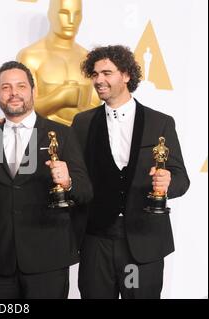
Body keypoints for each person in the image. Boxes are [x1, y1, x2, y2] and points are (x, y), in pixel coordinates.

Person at [72, 45, 190, 299]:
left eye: (106, 73)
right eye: (94, 74)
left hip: (143, 243)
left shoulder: (161, 122)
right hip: (96, 242)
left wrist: (168, 182)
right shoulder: (82, 123)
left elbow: (181, 179)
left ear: (126, 75)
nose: (99, 80)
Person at [0, 61, 92, 299]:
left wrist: (68, 182)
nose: (14, 93)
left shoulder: (62, 134)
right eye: (6, 87)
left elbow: (86, 191)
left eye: (21, 86)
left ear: (34, 91)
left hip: (48, 256)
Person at [17, 0, 100, 126]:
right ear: (51, 14)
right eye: (64, 13)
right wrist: (59, 98)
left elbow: (96, 106)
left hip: (83, 138)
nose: (71, 20)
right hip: (44, 137)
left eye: (77, 14)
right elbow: (23, 107)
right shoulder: (30, 56)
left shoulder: (89, 58)